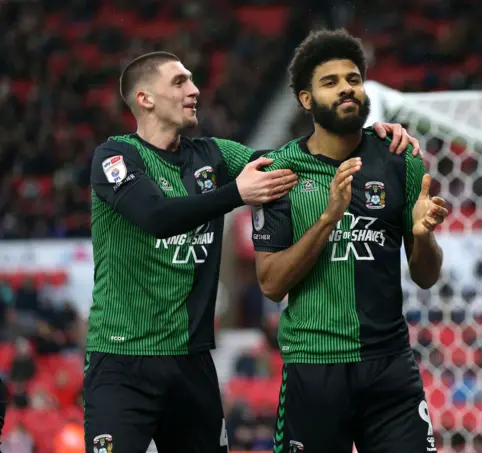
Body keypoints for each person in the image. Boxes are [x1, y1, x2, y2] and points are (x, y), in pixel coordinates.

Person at [84, 50, 422, 453]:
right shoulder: (115, 157)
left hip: (192, 364)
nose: (194, 90)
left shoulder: (213, 155)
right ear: (145, 99)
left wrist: (363, 136)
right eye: (179, 82)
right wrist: (235, 194)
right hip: (121, 360)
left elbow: (294, 163)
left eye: (192, 80)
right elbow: (156, 216)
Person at [251, 29, 449, 453]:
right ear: (306, 100)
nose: (346, 88)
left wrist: (424, 237)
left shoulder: (400, 159)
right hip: (314, 370)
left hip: (389, 368)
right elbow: (270, 284)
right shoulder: (281, 171)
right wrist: (327, 220)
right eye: (331, 81)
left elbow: (426, 275)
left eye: (354, 79)